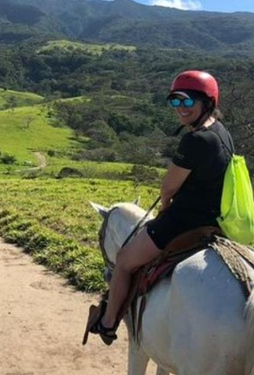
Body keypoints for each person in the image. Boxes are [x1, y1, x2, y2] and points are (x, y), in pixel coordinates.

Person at [92, 70, 234, 344]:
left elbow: (169, 188)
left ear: (207, 102)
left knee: (123, 261)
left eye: (188, 101)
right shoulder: (222, 133)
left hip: (182, 222)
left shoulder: (195, 140)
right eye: (175, 102)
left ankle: (108, 324)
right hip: (215, 222)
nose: (181, 109)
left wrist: (165, 206)